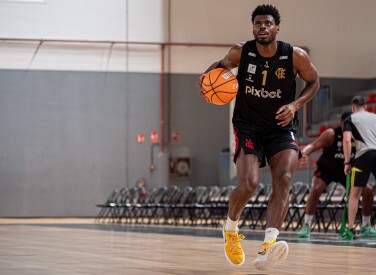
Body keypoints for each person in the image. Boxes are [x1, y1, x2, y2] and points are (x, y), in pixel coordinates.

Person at [197, 4, 319, 271]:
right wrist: (206, 80)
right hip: (248, 125)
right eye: (258, 24)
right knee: (250, 184)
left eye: (267, 23)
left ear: (277, 28)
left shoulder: (294, 56)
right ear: (253, 27)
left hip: (280, 125)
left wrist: (295, 105)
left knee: (285, 178)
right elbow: (219, 68)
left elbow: (314, 82)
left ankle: (268, 246)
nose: (262, 27)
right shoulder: (241, 52)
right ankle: (230, 228)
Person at [296, 112, 376, 238]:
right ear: (341, 123)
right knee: (316, 189)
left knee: (368, 191)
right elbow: (313, 145)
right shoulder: (331, 134)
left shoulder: (361, 137)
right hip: (327, 169)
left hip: (347, 171)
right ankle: (306, 224)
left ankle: (366, 225)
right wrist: (303, 153)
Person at [342, 96, 376, 240]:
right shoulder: (374, 117)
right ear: (366, 107)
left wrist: (347, 162)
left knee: (355, 193)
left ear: (353, 107)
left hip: (363, 155)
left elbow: (347, 139)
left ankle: (350, 229)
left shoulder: (350, 119)